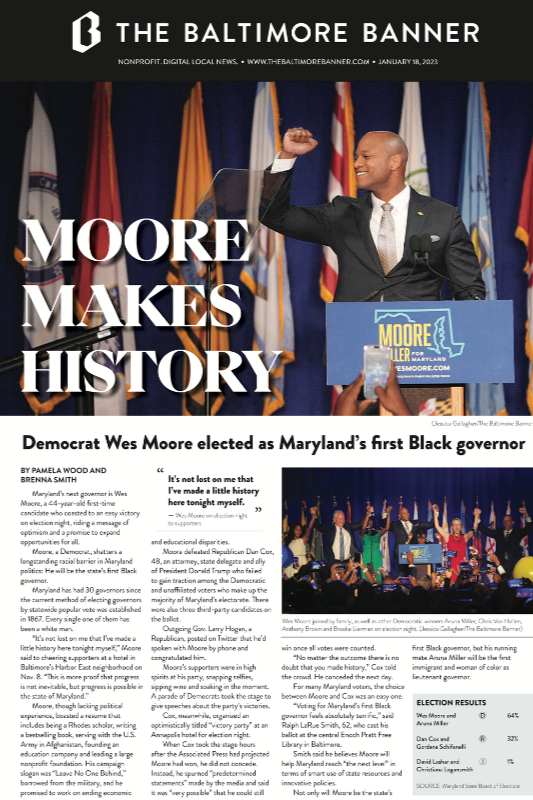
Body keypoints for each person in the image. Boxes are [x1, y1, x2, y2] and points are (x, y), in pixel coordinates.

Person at [261, 128, 487, 303]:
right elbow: (274, 215)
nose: (357, 163)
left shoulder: (443, 216)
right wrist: (287, 155)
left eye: (366, 156)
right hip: (352, 343)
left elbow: (470, 291)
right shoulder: (342, 214)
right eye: (356, 156)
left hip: (421, 347)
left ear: (394, 161)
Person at [473, 506, 532, 578]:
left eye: (508, 521)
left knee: (514, 585)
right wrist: (477, 518)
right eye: (504, 521)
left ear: (513, 522)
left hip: (514, 564)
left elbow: (529, 527)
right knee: (501, 586)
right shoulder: (498, 532)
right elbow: (484, 530)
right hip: (500, 564)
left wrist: (526, 513)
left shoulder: (517, 532)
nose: (505, 523)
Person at [432, 505, 474, 584]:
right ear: (452, 527)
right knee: (451, 589)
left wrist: (477, 517)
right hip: (451, 568)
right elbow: (437, 526)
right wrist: (435, 513)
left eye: (458, 524)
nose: (456, 526)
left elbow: (474, 530)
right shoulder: (448, 537)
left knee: (464, 589)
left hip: (463, 566)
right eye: (454, 524)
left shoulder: (464, 537)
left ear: (461, 526)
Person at [389, 506, 434, 577]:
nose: (407, 514)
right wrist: (386, 513)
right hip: (401, 555)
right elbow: (384, 526)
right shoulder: (395, 525)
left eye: (407, 512)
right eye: (404, 513)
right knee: (403, 578)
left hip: (414, 555)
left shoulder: (416, 523)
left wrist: (436, 513)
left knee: (414, 576)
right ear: (399, 515)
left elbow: (431, 524)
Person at [359, 504, 393, 583]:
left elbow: (387, 528)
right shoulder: (362, 532)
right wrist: (368, 513)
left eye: (371, 521)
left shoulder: (378, 532)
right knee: (365, 574)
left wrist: (388, 514)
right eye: (368, 521)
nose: (369, 522)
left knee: (377, 574)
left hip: (377, 555)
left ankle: (378, 590)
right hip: (366, 555)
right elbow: (363, 528)